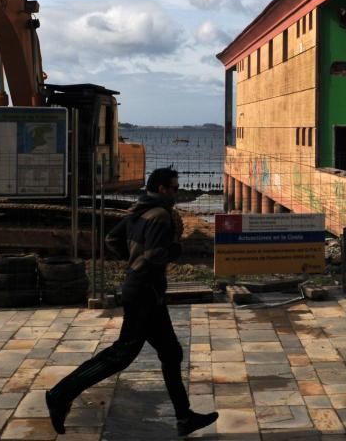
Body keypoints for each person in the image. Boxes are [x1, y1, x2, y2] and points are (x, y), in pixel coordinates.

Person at [45, 167, 218, 437]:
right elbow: (156, 255)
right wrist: (175, 250)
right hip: (144, 292)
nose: (176, 192)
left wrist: (132, 259)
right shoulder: (160, 215)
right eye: (173, 188)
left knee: (171, 353)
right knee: (121, 355)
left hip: (141, 289)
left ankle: (184, 417)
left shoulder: (138, 210)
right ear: (161, 188)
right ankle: (60, 394)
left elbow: (111, 239)